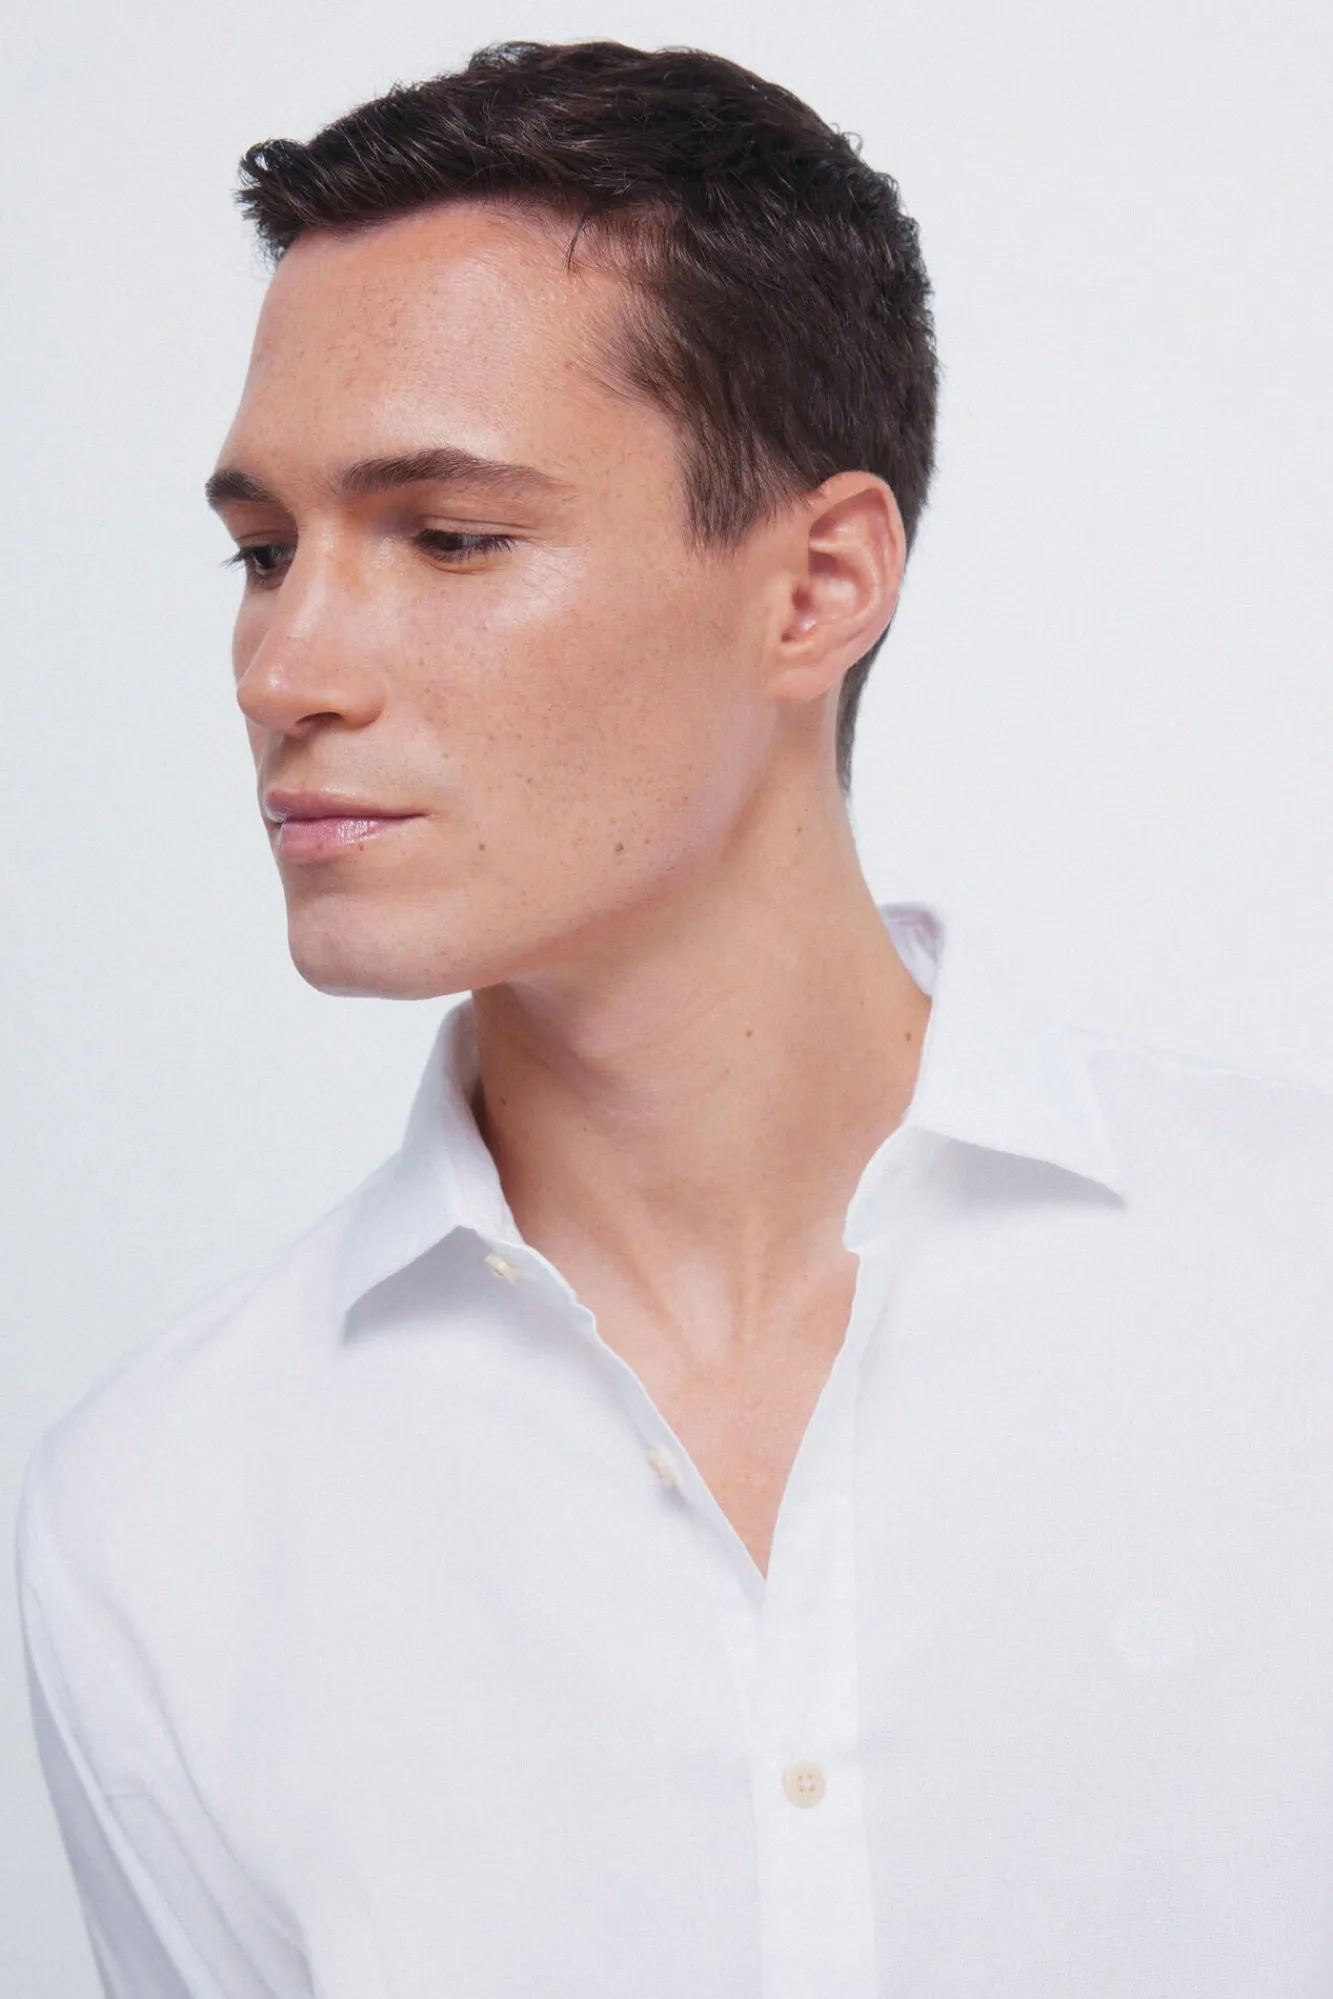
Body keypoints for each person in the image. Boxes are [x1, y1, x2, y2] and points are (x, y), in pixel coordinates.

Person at [15, 35, 1333, 1999]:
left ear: (816, 586)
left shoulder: (1293, 1301)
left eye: (450, 537)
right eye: (264, 551)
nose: (282, 666)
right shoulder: (165, 1520)